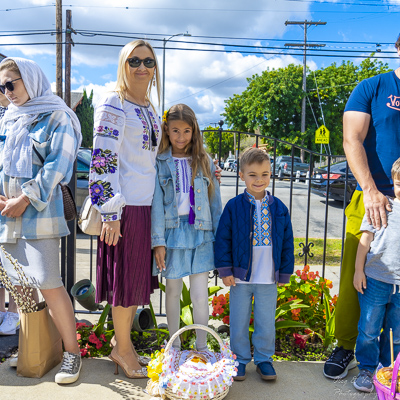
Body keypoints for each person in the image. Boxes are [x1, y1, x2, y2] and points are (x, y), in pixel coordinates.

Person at [0, 57, 82, 384]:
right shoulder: (8, 118)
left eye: (11, 84)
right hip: (7, 216)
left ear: (30, 80)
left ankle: (72, 354)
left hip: (39, 215)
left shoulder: (56, 115)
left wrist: (25, 199)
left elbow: (57, 165)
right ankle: (32, 346)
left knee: (49, 283)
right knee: (20, 287)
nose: (7, 92)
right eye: (2, 87)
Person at [323, 35, 400, 380]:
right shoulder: (372, 87)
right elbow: (351, 139)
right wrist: (370, 190)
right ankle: (345, 347)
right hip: (373, 198)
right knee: (360, 281)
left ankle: (388, 363)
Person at [90, 39, 161, 379]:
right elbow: (103, 158)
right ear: (123, 64)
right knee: (124, 283)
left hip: (145, 207)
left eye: (148, 61)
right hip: (124, 209)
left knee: (133, 283)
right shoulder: (113, 103)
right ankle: (122, 349)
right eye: (134, 60)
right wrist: (110, 213)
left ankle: (125, 346)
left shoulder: (148, 106)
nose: (142, 67)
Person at [214, 147, 294, 381]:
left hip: (268, 277)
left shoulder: (278, 207)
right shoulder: (234, 206)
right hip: (240, 277)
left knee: (266, 321)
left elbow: (287, 240)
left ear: (271, 175)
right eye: (253, 175)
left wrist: (285, 272)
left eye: (265, 174)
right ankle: (238, 360)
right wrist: (225, 270)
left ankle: (264, 359)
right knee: (238, 320)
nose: (259, 180)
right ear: (241, 175)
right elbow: (223, 239)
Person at [151, 103, 222, 351]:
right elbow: (157, 205)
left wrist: (220, 238)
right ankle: (174, 346)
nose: (181, 137)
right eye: (175, 131)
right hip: (171, 234)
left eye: (186, 131)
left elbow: (215, 202)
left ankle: (201, 347)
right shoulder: (159, 163)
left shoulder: (205, 162)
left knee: (200, 293)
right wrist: (158, 241)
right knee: (172, 289)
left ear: (194, 132)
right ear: (166, 131)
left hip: (201, 233)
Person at [352, 157, 400, 393]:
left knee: (397, 333)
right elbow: (364, 242)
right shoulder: (382, 205)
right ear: (393, 182)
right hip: (376, 280)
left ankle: (388, 370)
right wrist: (358, 270)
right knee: (369, 329)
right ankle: (367, 369)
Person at [0, 91, 20, 336]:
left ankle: (14, 313)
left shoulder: (17, 113)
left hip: (12, 193)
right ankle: (3, 312)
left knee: (14, 259)